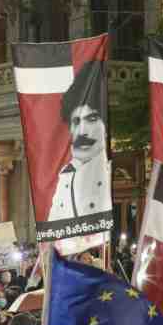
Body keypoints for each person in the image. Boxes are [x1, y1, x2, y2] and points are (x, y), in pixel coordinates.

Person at [47, 60, 112, 224]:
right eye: (76, 121)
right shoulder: (65, 176)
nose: (82, 131)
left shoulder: (108, 169)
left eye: (92, 119)